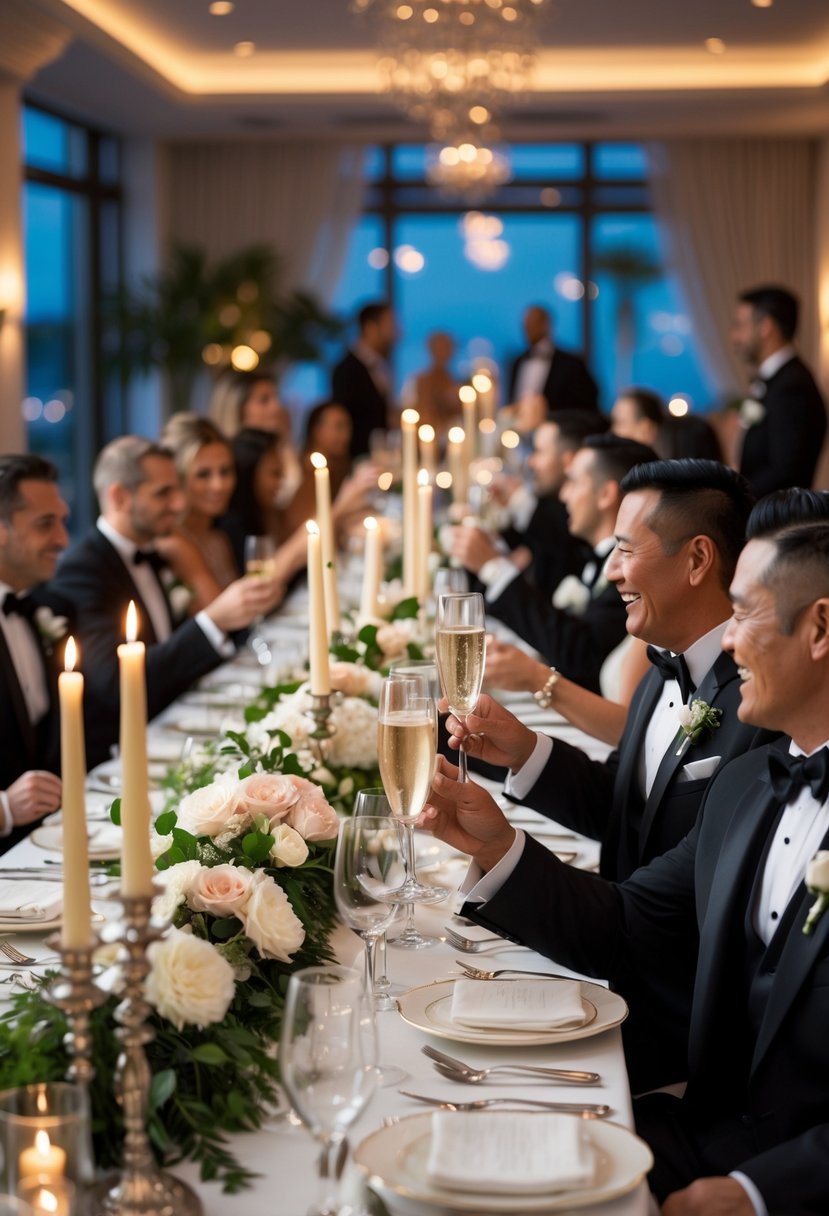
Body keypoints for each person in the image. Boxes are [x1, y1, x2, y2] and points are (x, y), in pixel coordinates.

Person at [423, 523, 829, 1216]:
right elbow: (630, 924)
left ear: (819, 627)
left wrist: (759, 1194)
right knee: (453, 1150)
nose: (725, 643)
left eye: (743, 614)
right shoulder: (748, 786)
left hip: (793, 1178)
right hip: (703, 1131)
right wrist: (497, 850)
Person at [52, 437, 277, 768]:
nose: (178, 504)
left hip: (169, 729)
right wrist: (212, 621)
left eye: (177, 490)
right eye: (163, 493)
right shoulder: (83, 569)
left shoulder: (158, 549)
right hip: (118, 756)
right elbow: (116, 683)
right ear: (119, 496)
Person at [448, 435, 656, 694]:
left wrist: (494, 567)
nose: (563, 493)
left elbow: (581, 655)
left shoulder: (634, 571)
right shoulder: (585, 555)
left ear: (605, 494)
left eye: (573, 481)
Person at [0, 455, 69, 852]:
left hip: (46, 842)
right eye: (46, 524)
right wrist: (5, 808)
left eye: (61, 520)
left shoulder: (48, 606)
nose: (63, 539)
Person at [494, 411, 600, 599]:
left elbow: (558, 539)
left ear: (568, 460)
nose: (531, 461)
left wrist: (519, 499)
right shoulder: (545, 509)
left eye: (539, 451)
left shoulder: (577, 523)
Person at [733, 284, 827, 496]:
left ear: (765, 326)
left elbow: (786, 471)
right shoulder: (773, 381)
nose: (735, 337)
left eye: (741, 326)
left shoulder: (793, 387)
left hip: (773, 519)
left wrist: (734, 498)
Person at [159, 412, 239, 593]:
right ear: (177, 478)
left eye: (225, 471)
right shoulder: (171, 543)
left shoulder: (218, 540)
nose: (219, 485)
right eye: (203, 474)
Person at [219, 427, 309, 582]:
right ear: (249, 473)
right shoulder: (232, 526)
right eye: (275, 473)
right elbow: (259, 584)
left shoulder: (269, 513)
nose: (282, 480)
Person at [331, 301, 396, 458]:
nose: (396, 332)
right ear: (370, 328)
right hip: (358, 459)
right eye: (390, 325)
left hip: (380, 457)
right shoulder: (345, 370)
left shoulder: (381, 365)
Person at [507, 304, 598, 415]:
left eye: (533, 323)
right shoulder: (516, 362)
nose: (528, 328)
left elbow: (587, 403)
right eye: (526, 324)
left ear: (546, 325)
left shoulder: (572, 364)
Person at [406, 330, 461, 437]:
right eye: (439, 348)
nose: (442, 353)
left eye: (446, 348)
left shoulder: (456, 384)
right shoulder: (420, 382)